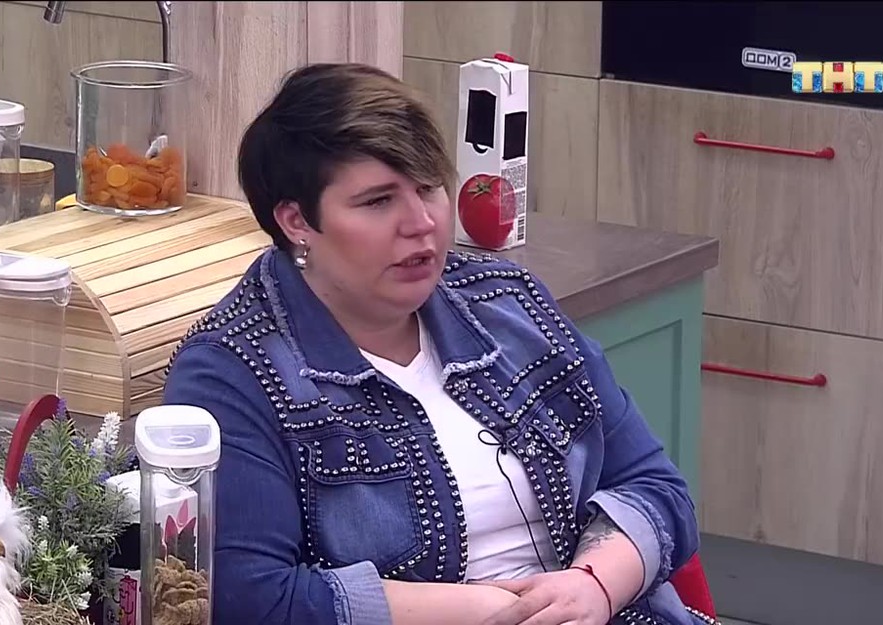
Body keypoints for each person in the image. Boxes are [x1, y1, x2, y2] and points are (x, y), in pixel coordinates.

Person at [162, 62, 708, 625]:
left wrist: (592, 586)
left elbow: (656, 487)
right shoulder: (233, 372)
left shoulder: (508, 301)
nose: (421, 222)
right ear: (297, 221)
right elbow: (252, 599)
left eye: (428, 188)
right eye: (378, 201)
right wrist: (500, 610)